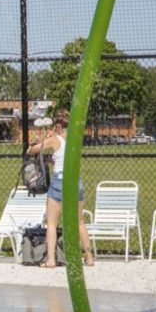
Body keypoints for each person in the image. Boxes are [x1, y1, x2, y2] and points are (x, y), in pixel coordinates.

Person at [26, 109, 95, 267]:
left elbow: (32, 150)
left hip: (59, 181)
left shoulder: (54, 140)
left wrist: (44, 139)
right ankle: (89, 256)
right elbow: (63, 158)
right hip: (75, 180)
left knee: (51, 223)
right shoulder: (76, 139)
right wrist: (51, 158)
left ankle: (51, 259)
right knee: (80, 222)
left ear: (57, 125)